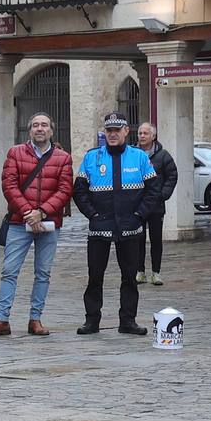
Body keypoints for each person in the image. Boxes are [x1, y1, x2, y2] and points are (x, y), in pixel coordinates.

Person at [0, 113, 72, 338]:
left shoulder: (63, 158)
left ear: (51, 130)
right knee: (9, 271)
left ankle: (35, 319)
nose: (40, 129)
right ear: (29, 130)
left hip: (49, 223)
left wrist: (42, 212)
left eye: (44, 125)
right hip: (19, 223)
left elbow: (64, 190)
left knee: (43, 273)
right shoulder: (15, 153)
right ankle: (1, 320)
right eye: (35, 125)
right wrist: (28, 213)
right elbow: (9, 185)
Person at [73, 112, 160, 336]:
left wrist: (140, 214)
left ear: (125, 132)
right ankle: (92, 320)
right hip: (99, 227)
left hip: (131, 227)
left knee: (130, 277)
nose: (112, 134)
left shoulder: (139, 157)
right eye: (108, 130)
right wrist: (92, 215)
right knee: (95, 276)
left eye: (116, 130)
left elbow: (153, 190)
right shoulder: (92, 157)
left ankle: (128, 321)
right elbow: (79, 191)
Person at [135, 122, 178, 286]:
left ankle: (156, 272)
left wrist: (163, 195)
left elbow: (172, 175)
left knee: (156, 240)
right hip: (137, 204)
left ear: (153, 136)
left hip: (156, 205)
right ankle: (140, 271)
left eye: (146, 133)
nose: (142, 136)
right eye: (140, 133)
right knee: (138, 239)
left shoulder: (163, 156)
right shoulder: (132, 154)